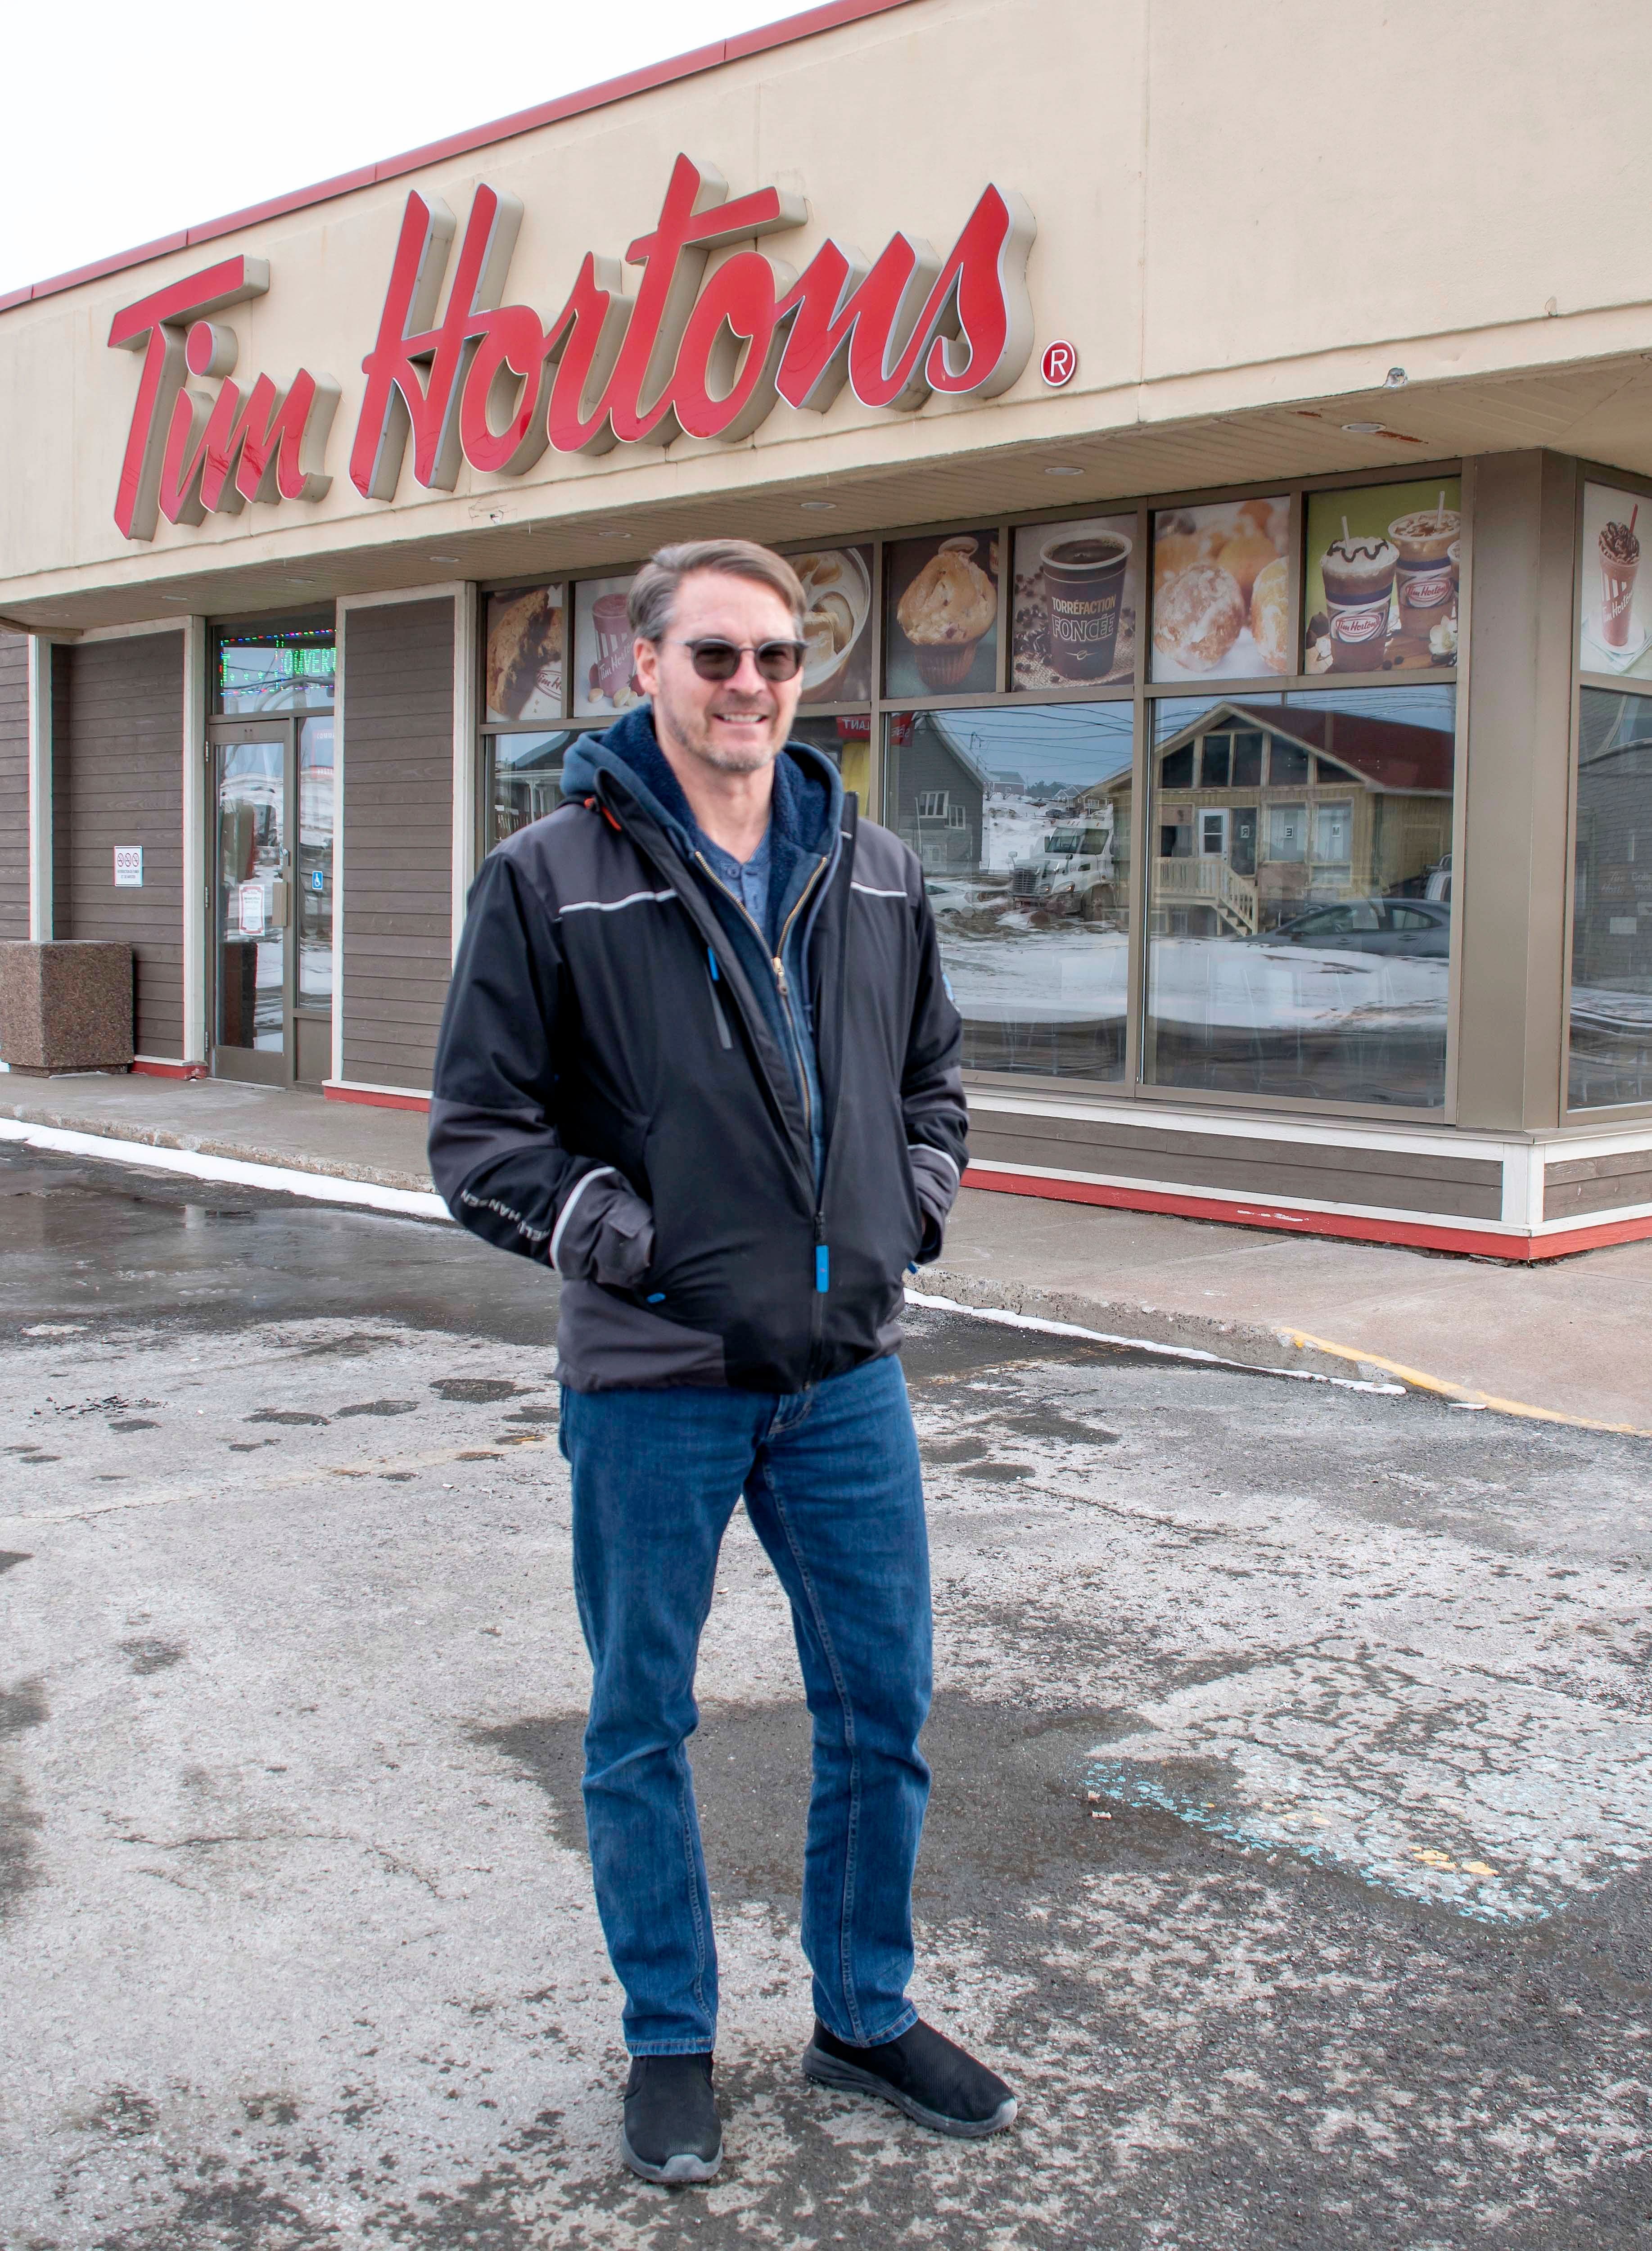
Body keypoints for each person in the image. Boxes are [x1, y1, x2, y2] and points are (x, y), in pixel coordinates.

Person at [429, 538, 1016, 2184]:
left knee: (883, 1700)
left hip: (844, 1372)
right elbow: (479, 1137)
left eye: (777, 656)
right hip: (655, 1382)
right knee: (639, 1720)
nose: (750, 683)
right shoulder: (549, 876)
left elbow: (935, 1081)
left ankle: (863, 2009)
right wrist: (640, 1241)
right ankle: (670, 2039)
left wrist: (910, 1211)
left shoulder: (877, 869)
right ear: (645, 669)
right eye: (716, 656)